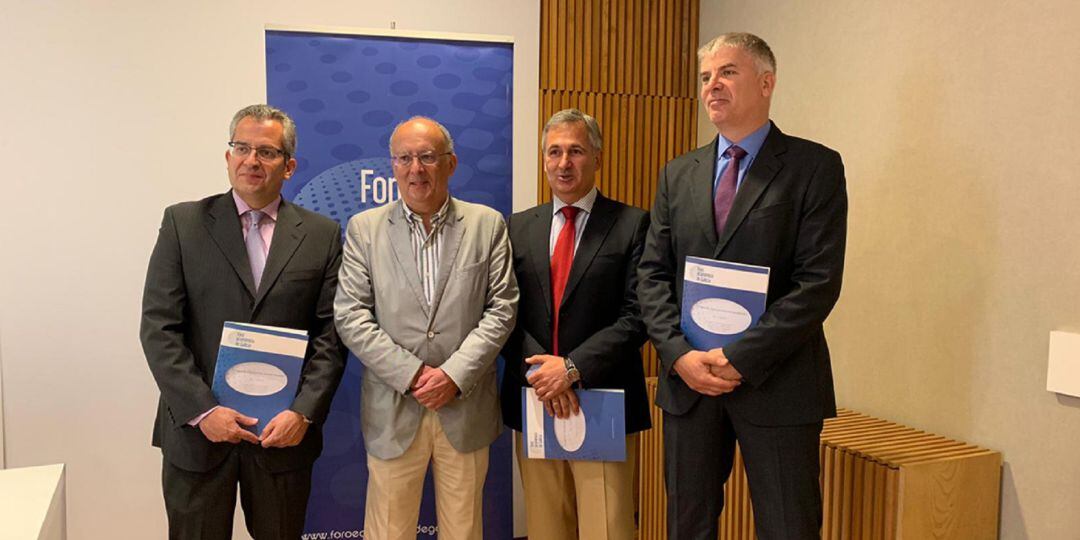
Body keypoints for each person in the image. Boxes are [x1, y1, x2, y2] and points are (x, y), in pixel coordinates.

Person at [638, 32, 848, 539]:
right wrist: (679, 355)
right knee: (688, 525)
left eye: (727, 72)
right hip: (689, 384)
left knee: (788, 527)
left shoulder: (814, 167)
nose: (713, 86)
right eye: (706, 76)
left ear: (767, 82)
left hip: (777, 384)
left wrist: (739, 358)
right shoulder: (677, 174)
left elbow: (817, 283)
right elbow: (652, 275)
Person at [140, 104, 347, 539]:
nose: (252, 160)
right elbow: (160, 328)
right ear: (228, 155)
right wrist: (203, 410)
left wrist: (303, 414)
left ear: (289, 166)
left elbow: (331, 336)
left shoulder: (321, 234)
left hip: (281, 437)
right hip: (199, 436)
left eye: (267, 152)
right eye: (242, 148)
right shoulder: (183, 223)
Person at [333, 116, 518, 540]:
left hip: (465, 405)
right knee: (388, 531)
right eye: (404, 158)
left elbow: (502, 308)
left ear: (450, 164)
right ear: (393, 165)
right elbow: (351, 315)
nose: (416, 169)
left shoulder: (487, 225)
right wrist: (413, 375)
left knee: (464, 529)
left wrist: (453, 375)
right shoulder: (366, 229)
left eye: (428, 158)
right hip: (394, 409)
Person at [500, 109, 651, 540]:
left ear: (597, 159)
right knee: (546, 528)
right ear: (544, 159)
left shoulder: (632, 224)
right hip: (535, 399)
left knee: (608, 529)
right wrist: (542, 375)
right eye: (555, 152)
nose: (564, 163)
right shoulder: (518, 227)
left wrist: (571, 368)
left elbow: (637, 314)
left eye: (576, 151)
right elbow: (502, 312)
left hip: (603, 402)